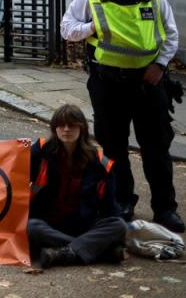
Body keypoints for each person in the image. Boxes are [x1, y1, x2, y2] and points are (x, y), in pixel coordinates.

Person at [60, 0, 183, 233]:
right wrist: (92, 27)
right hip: (108, 84)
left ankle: (165, 209)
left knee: (156, 147)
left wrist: (159, 65)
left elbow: (171, 34)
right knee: (114, 149)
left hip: (148, 83)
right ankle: (122, 203)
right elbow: (67, 28)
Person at [27, 104, 127, 269]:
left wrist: (117, 233)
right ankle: (100, 252)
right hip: (49, 224)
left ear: (82, 129)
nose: (66, 129)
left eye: (72, 125)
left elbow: (111, 208)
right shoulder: (40, 151)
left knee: (119, 225)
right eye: (61, 125)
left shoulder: (99, 162)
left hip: (84, 226)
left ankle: (61, 253)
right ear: (54, 128)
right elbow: (14, 176)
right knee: (31, 226)